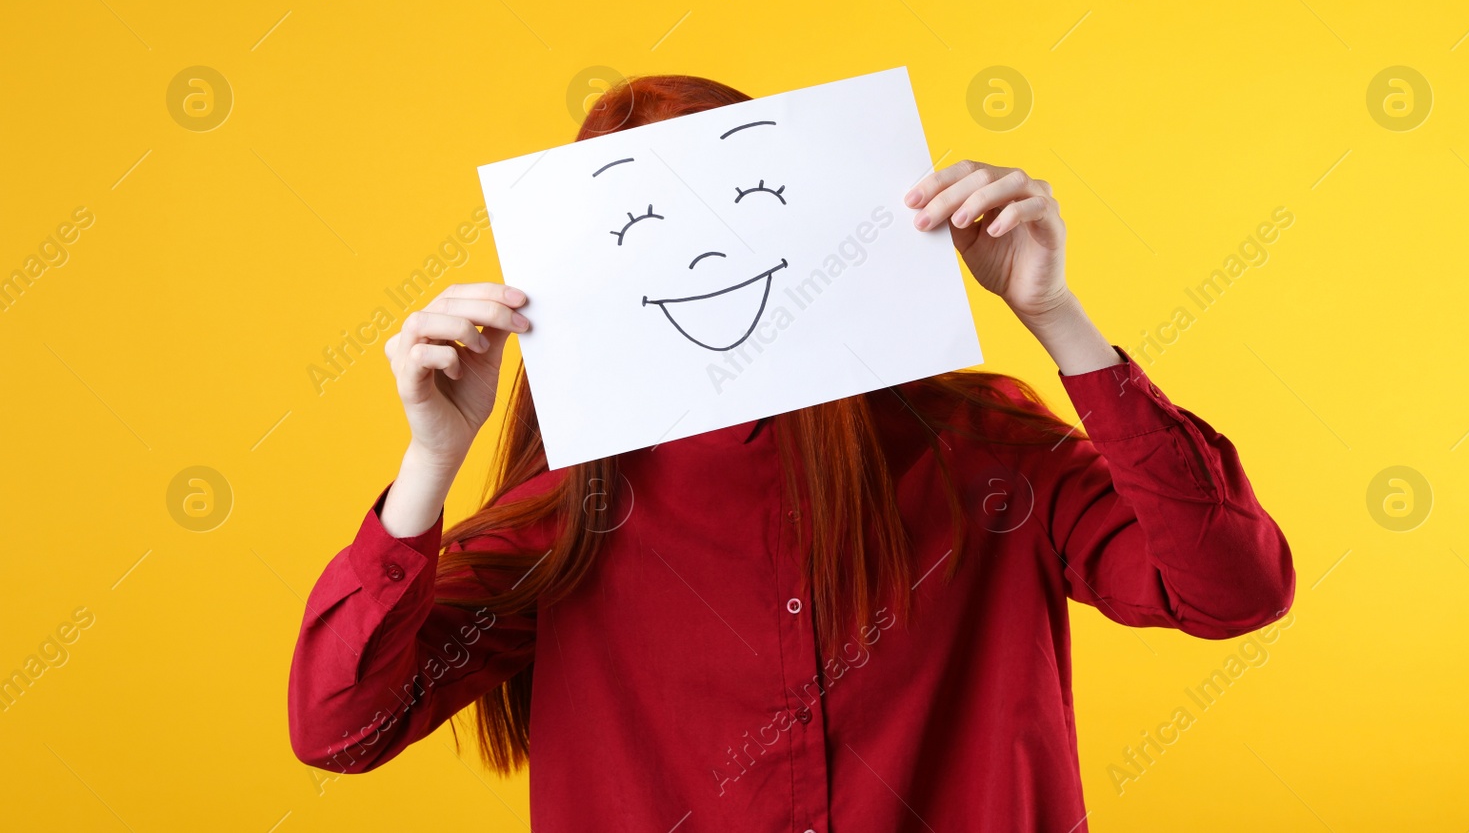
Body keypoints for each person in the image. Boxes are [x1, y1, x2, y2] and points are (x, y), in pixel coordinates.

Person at [287, 74, 1294, 831]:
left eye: (745, 205)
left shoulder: (984, 452)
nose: (709, 257)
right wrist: (431, 459)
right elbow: (340, 728)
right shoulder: (571, 517)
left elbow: (1230, 587)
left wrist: (1056, 316)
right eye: (640, 228)